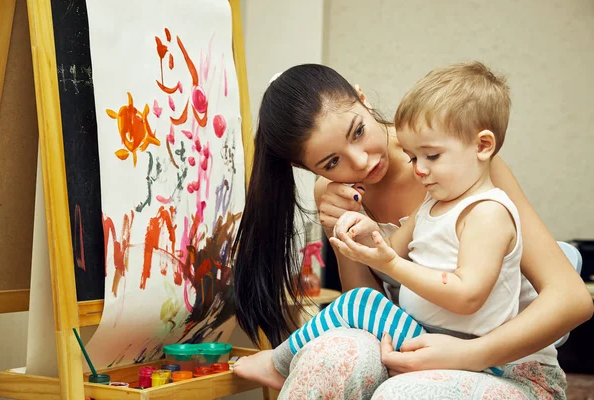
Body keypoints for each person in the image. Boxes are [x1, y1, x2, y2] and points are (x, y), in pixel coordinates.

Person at [231, 63, 592, 398]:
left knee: (405, 394)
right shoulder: (335, 194)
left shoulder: (459, 163)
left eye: (358, 132)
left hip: (503, 360)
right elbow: (366, 310)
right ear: (308, 168)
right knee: (329, 356)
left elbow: (571, 299)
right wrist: (344, 234)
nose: (361, 161)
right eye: (331, 162)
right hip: (412, 348)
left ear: (362, 98)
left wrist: (467, 354)